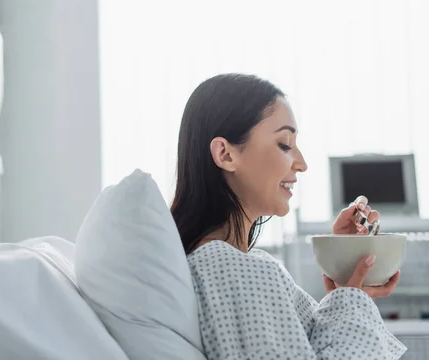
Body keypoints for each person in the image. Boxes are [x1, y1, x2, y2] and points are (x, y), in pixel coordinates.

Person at [170, 74, 406, 359]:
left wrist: (347, 275)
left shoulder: (245, 263)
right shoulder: (232, 268)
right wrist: (351, 298)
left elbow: (313, 343)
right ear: (226, 154)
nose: (302, 163)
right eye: (284, 144)